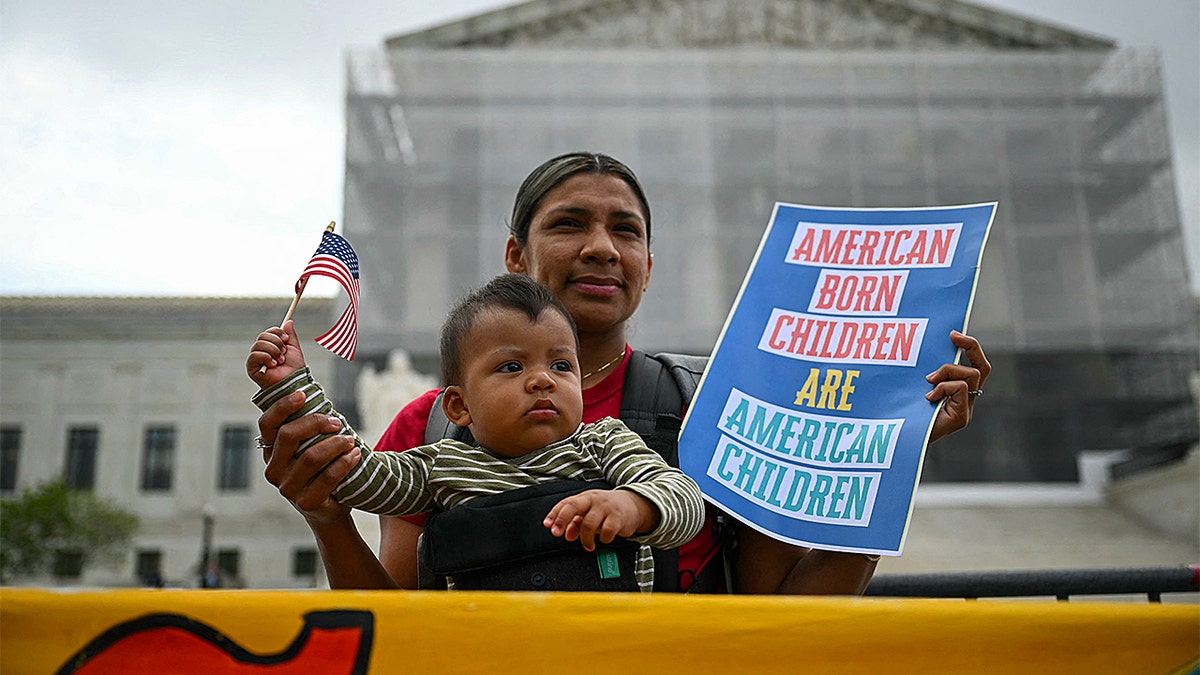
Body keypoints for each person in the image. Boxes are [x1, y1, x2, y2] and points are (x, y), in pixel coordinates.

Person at [254, 151, 991, 594]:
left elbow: (784, 615)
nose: (603, 247)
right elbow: (400, 623)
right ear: (516, 256)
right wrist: (325, 514)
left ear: (647, 267)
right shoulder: (427, 426)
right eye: (570, 223)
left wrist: (893, 455)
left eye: (626, 230)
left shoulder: (717, 409)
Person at [248, 274, 704, 591]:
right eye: (511, 366)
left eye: (562, 365)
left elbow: (683, 498)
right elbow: (352, 471)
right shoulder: (440, 465)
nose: (543, 379)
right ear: (459, 406)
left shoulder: (606, 442)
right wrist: (292, 386)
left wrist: (632, 504)